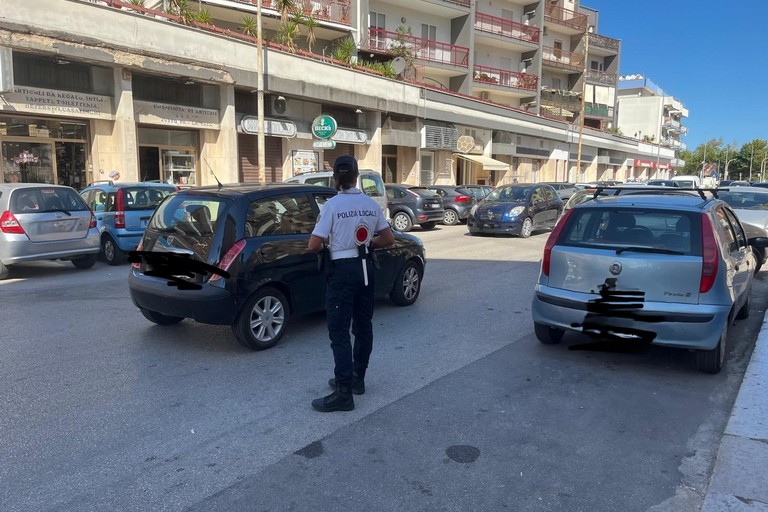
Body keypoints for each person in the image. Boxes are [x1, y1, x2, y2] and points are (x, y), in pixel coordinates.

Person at [308, 155, 395, 412]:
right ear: (357, 177)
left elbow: (314, 244)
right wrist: (366, 244)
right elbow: (388, 238)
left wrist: (330, 243)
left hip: (343, 272)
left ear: (336, 178)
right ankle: (358, 379)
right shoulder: (370, 204)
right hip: (366, 269)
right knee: (363, 327)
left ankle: (343, 392)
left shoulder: (332, 206)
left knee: (339, 331)